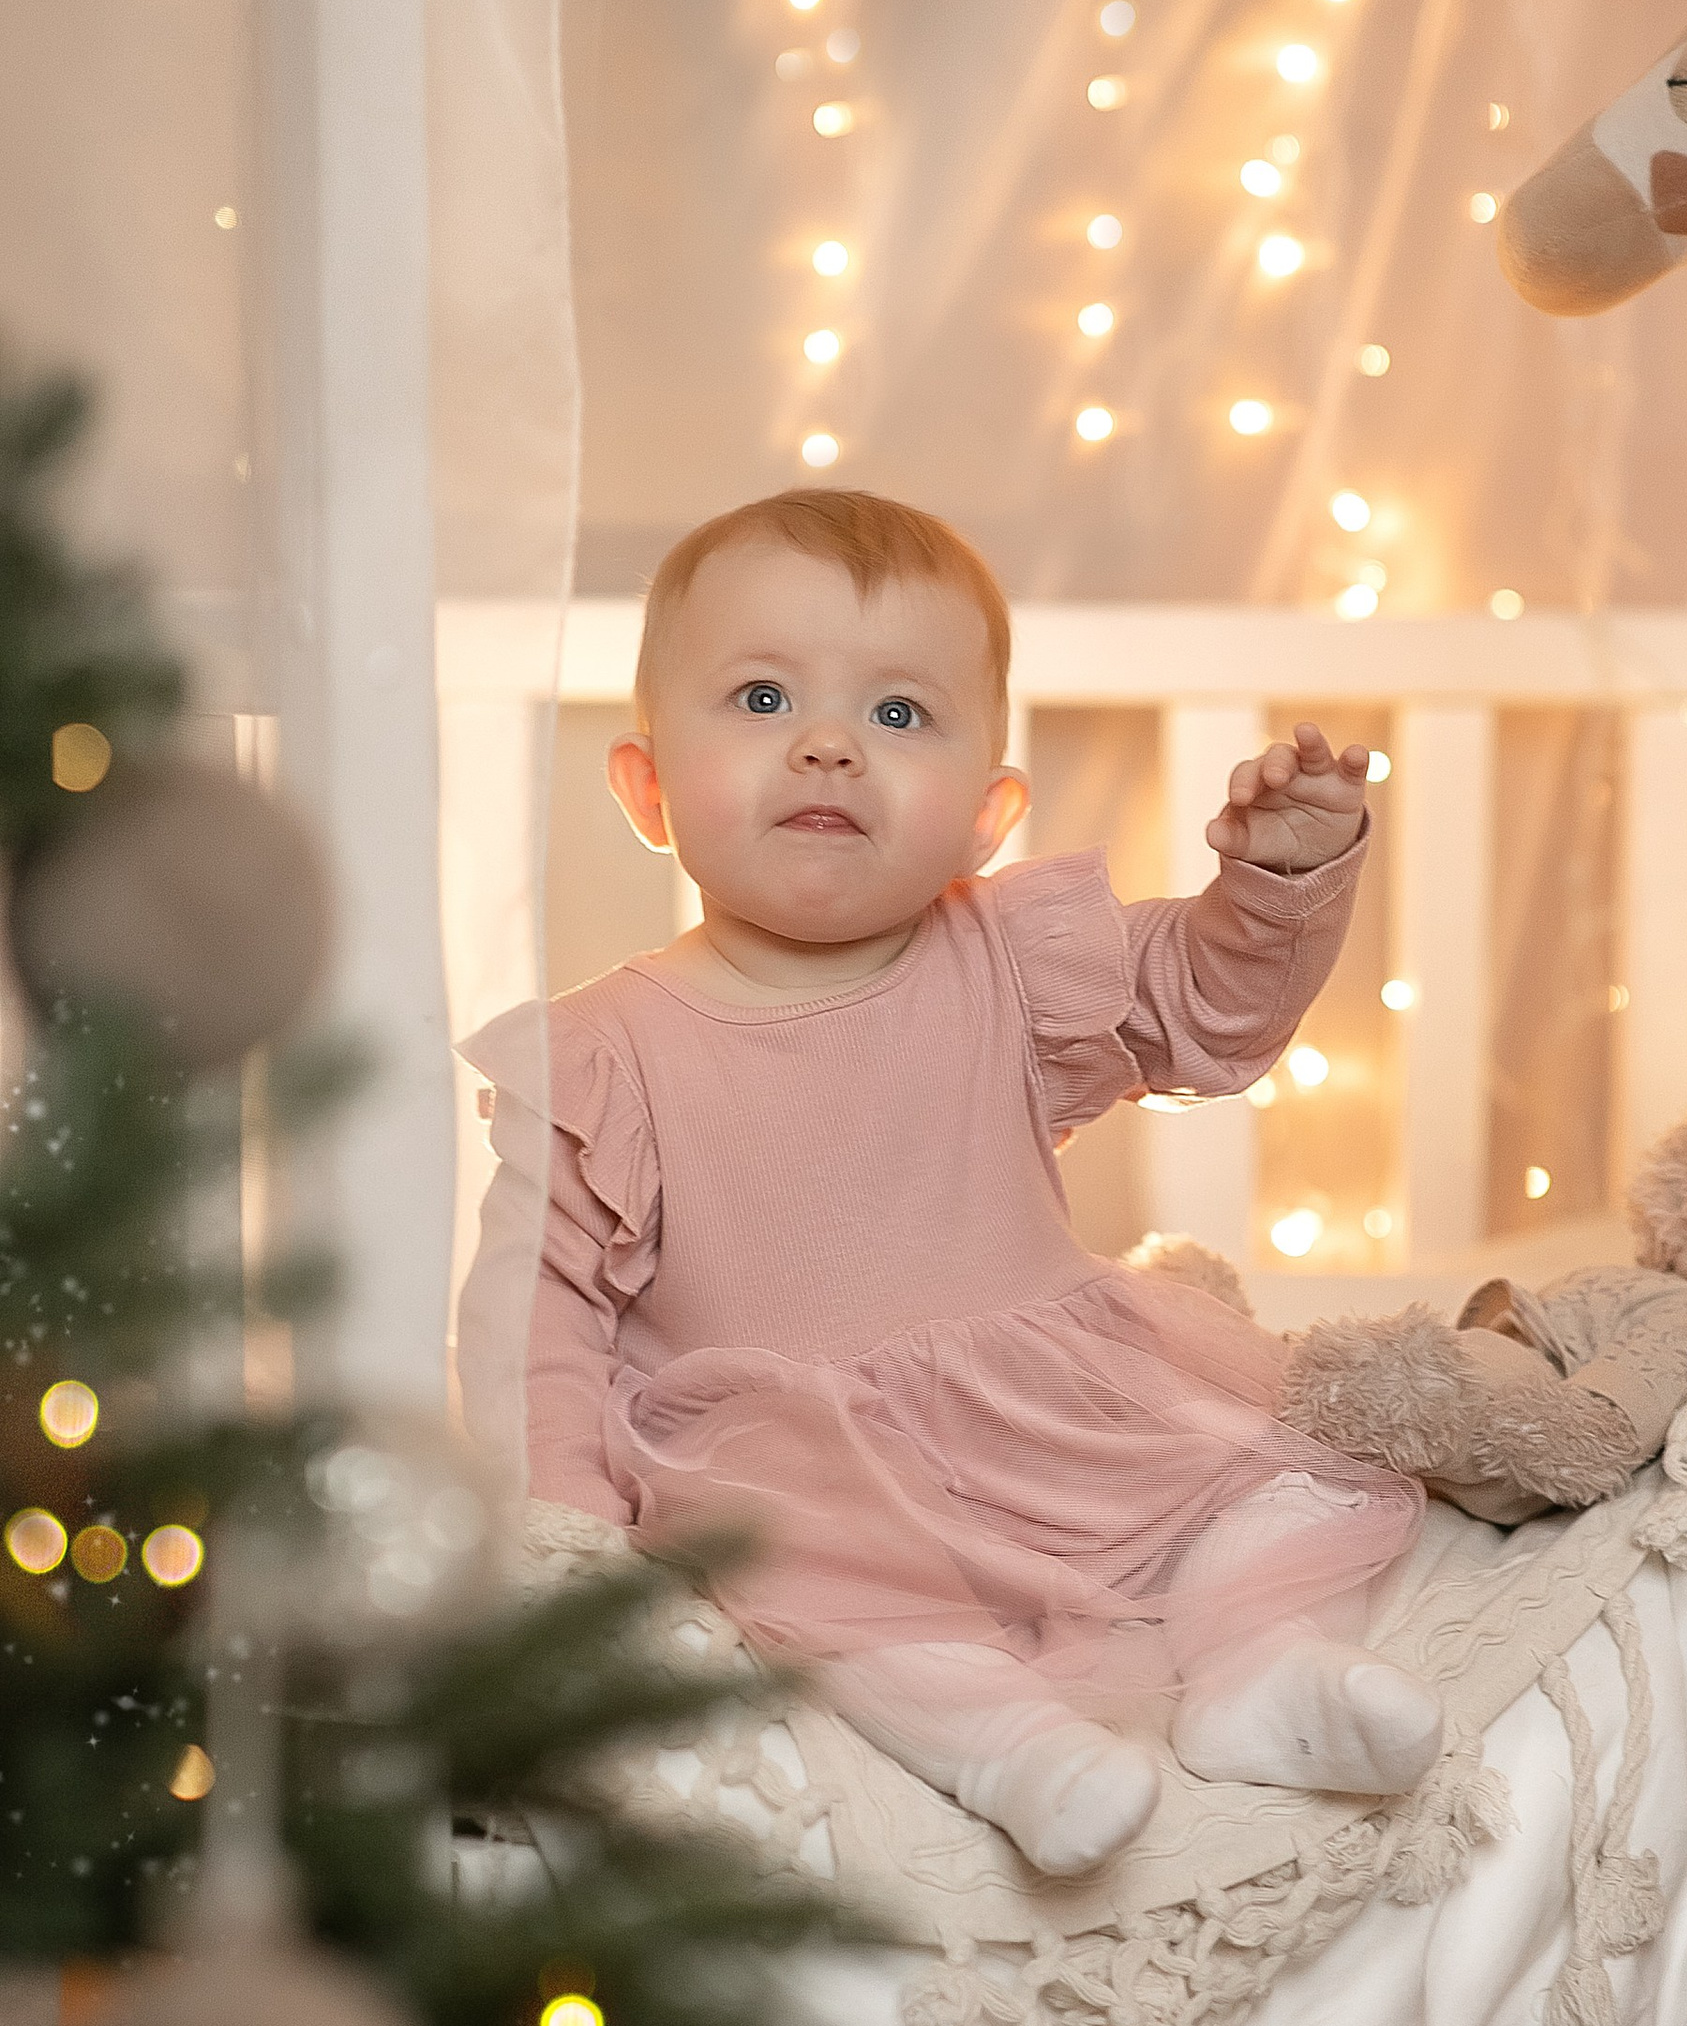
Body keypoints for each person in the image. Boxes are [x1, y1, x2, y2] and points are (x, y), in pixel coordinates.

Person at [458, 488, 1438, 1878]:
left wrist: (1279, 886)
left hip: (1044, 1412)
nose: (827, 746)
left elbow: (1214, 1021)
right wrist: (563, 1557)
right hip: (806, 1463)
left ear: (987, 816)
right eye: (758, 695)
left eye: (899, 716)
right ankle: (1012, 1750)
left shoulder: (1013, 961)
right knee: (791, 1577)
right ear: (646, 788)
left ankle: (1257, 1669)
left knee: (1261, 1482)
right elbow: (539, 1337)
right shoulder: (600, 1059)